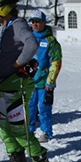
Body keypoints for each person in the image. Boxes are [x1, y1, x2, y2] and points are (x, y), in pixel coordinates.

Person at [0, 0, 51, 162]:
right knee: (4, 128)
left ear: (1, 8)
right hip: (6, 85)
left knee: (19, 129)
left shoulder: (18, 24)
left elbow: (32, 44)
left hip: (16, 85)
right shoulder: (9, 26)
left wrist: (18, 63)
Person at [28, 10, 62, 142]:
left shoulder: (50, 41)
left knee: (44, 108)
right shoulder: (28, 38)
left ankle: (46, 131)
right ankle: (29, 131)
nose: (35, 24)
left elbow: (56, 61)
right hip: (29, 82)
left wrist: (50, 82)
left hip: (44, 83)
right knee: (29, 108)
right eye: (33, 22)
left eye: (38, 21)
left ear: (43, 22)